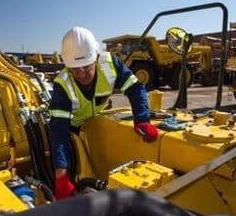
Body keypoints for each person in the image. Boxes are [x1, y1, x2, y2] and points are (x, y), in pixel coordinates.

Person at [49, 26, 159, 200]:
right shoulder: (62, 84)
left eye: (86, 67)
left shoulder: (110, 64)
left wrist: (142, 120)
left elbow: (136, 88)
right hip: (74, 130)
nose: (81, 74)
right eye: (75, 69)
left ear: (96, 57)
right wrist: (61, 175)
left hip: (98, 119)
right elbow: (59, 130)